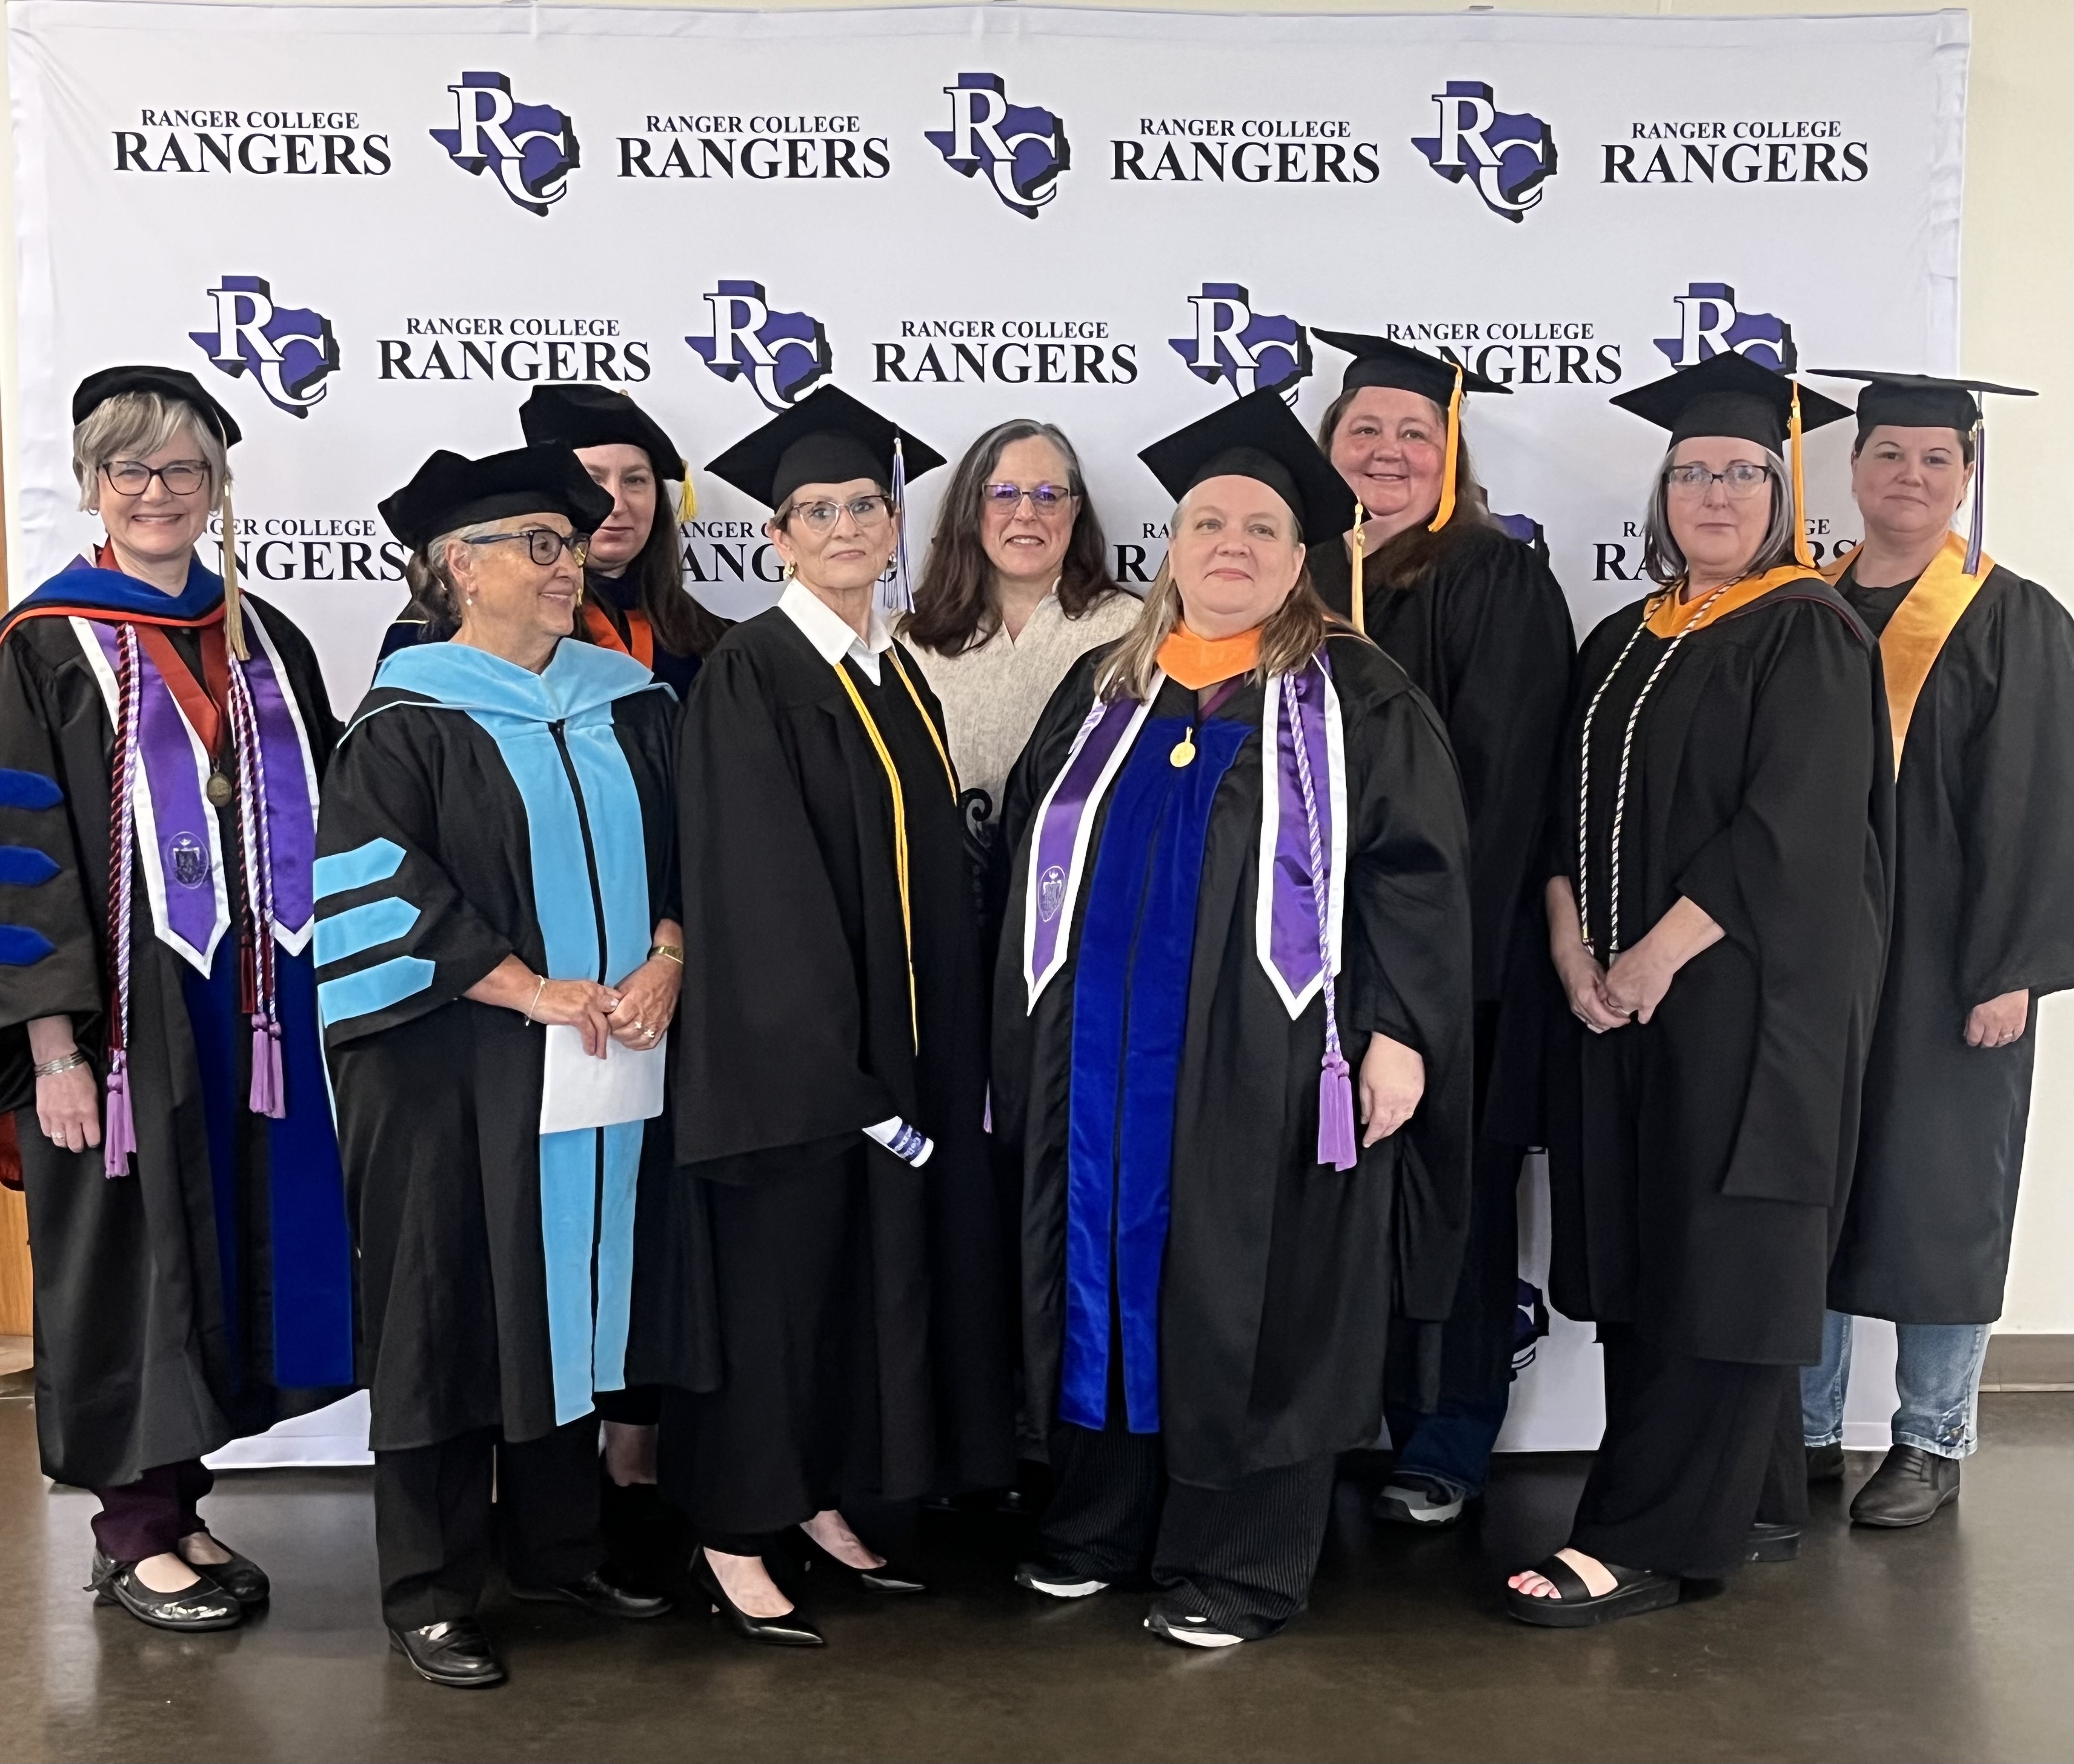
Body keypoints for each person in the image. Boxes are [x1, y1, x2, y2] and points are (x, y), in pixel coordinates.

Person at [994, 387, 1475, 1648]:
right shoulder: (1106, 689)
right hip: (1095, 1067)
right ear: (1173, 542)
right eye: (1208, 522)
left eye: (1261, 528)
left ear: (1301, 552)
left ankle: (1245, 1561)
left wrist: (1400, 1033)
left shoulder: (1353, 698)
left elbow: (1415, 876)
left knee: (1250, 1288)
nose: (1230, 547)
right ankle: (1100, 1520)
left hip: (1267, 1065)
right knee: (1102, 1270)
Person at [1509, 351, 1890, 1628]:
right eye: (1691, 472)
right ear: (1660, 492)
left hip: (1744, 1009)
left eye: (1741, 472)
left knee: (1721, 1253)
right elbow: (1557, 810)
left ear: (1784, 493)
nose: (1713, 492)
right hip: (1617, 1008)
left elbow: (1789, 831)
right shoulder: (1624, 635)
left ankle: (1647, 1537)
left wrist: (1647, 960)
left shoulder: (1808, 632)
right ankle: (1759, 1495)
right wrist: (1572, 951)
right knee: (1651, 1244)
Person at [317, 445, 682, 1688]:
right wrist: (531, 991)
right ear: (457, 567)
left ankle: (556, 1544)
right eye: (535, 541)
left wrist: (672, 950)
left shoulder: (632, 701)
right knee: (446, 1306)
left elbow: (693, 855)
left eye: (569, 541)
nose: (564, 561)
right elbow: (373, 888)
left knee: (574, 1299)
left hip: (608, 1062)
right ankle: (428, 1588)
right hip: (446, 1072)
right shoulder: (403, 718)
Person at [661, 387, 1014, 1648]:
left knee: (854, 1292)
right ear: (777, 541)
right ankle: (729, 1525)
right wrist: (846, 1077)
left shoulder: (893, 671)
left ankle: (815, 1496)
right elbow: (758, 894)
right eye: (819, 510)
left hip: (897, 1065)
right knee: (775, 1297)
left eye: (869, 503)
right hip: (793, 1073)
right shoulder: (753, 676)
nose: (850, 524)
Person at [0, 366, 348, 1633]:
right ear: (93, 486)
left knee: (223, 1248)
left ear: (217, 489)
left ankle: (180, 1506)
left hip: (251, 1016)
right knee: (129, 1258)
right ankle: (130, 1528)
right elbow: (19, 851)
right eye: (131, 470)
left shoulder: (264, 636)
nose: (158, 493)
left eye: (184, 470)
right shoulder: (46, 644)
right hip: (120, 1025)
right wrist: (52, 1044)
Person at [1308, 331, 1577, 1525]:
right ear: (1326, 448)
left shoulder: (1495, 579)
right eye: (1363, 429)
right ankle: (1317, 1422)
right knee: (1318, 1206)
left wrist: (1418, 980)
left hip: (1445, 974)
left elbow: (1503, 792)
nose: (1387, 451)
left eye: (1415, 432)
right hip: (1298, 974)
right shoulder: (1286, 580)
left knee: (1448, 1208)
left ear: (1452, 453)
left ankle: (1445, 1435)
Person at [1800, 371, 2074, 1526]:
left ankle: (1930, 1438)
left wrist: (2005, 966)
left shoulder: (2014, 616)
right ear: (1851, 471)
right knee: (1802, 1181)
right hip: (1811, 960)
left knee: (1939, 1190)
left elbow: (2043, 800)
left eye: (1932, 459)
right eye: (1885, 456)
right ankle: (1803, 1431)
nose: (1905, 478)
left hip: (1946, 960)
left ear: (1965, 474)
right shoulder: (1798, 602)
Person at [903, 419, 1138, 933]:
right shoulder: (908, 640)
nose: (1026, 512)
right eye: (1004, 493)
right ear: (973, 506)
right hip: (942, 913)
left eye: (1049, 494)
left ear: (1075, 510)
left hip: (1082, 912)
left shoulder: (1131, 632)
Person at [519, 383, 728, 699]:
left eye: (635, 480)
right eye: (592, 480)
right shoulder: (506, 630)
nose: (616, 504)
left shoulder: (712, 638)